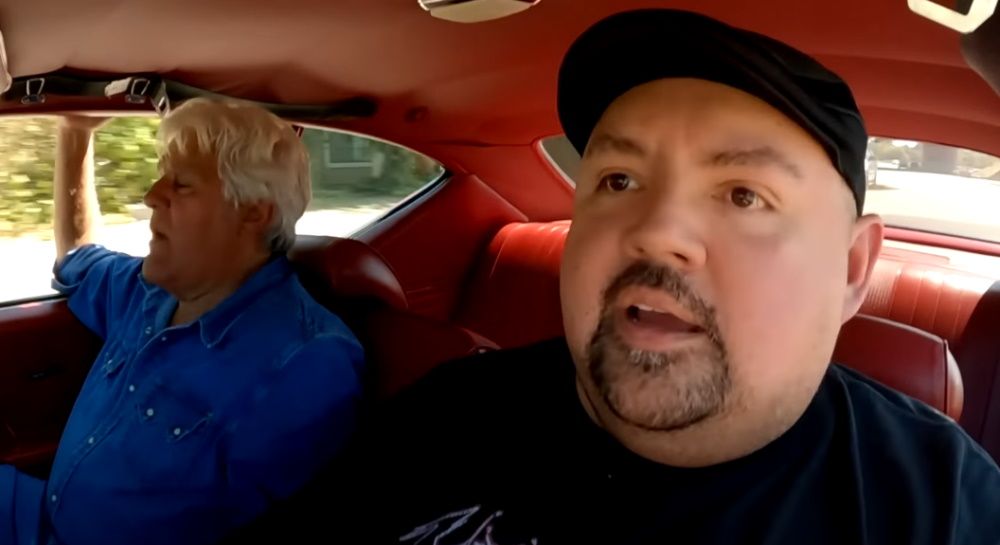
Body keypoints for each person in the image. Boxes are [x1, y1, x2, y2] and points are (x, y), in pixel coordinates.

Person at [329, 9, 1000, 544]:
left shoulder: (944, 506)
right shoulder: (449, 415)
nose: (656, 230)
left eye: (744, 195)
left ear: (851, 268)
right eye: (618, 180)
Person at [0, 98, 364, 545]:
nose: (151, 195)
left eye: (182, 184)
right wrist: (77, 132)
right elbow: (77, 259)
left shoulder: (305, 364)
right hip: (35, 517)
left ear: (254, 210)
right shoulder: (148, 291)